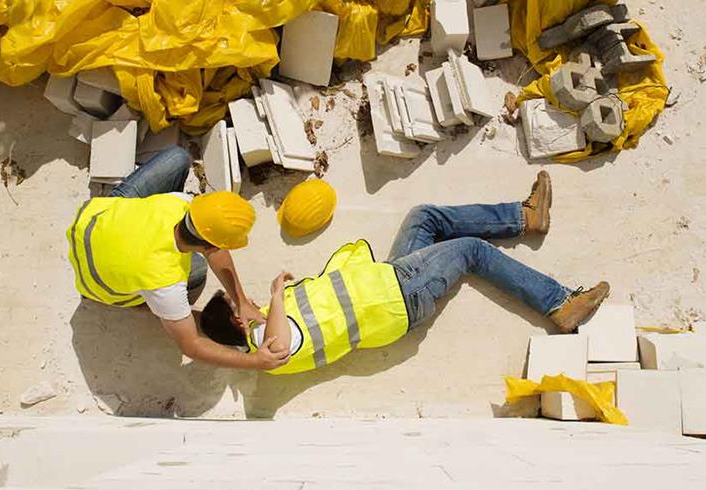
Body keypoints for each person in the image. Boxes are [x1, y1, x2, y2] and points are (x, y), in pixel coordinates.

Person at [199, 171, 610, 374]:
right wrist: (272, 296)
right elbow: (281, 345)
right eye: (238, 302)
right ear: (239, 319)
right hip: (400, 297)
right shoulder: (267, 345)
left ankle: (524, 217)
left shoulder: (257, 334)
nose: (245, 298)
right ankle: (559, 303)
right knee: (470, 251)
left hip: (387, 281)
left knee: (423, 218)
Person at [67, 146, 289, 371]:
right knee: (198, 272)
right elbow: (191, 346)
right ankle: (148, 307)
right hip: (97, 284)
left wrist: (240, 301)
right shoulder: (166, 282)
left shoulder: (177, 203)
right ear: (210, 245)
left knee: (178, 158)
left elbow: (214, 247)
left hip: (93, 220)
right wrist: (254, 361)